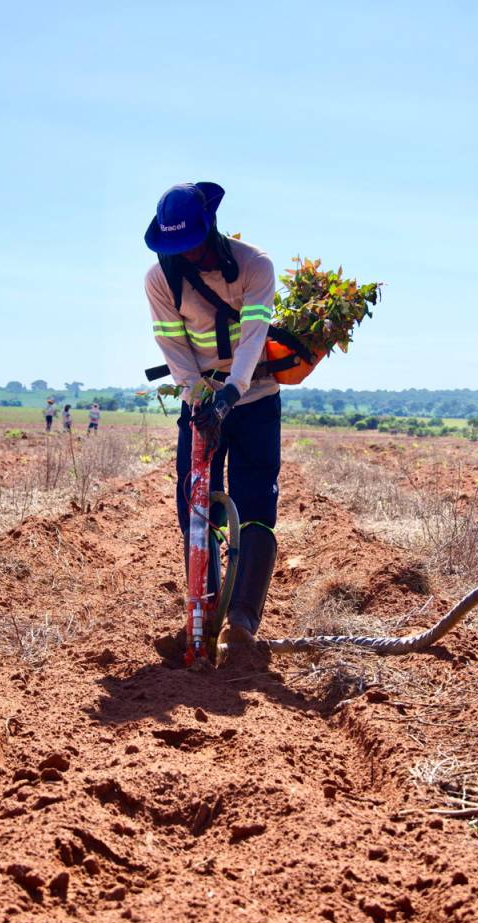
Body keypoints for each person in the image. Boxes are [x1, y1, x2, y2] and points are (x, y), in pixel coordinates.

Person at [144, 181, 279, 648]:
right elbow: (172, 344)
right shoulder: (159, 280)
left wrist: (232, 393)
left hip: (256, 396)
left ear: (212, 229)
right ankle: (203, 611)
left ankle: (242, 622)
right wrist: (201, 397)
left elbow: (253, 335)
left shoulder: (255, 265)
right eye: (178, 248)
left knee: (258, 501)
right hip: (200, 403)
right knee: (195, 506)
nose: (190, 255)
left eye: (196, 244)